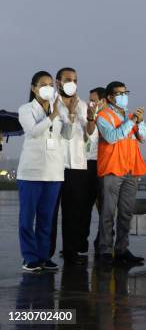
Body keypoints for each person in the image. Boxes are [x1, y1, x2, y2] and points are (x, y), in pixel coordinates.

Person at [17, 71, 75, 271]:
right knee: (27, 218)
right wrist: (54, 115)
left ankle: (44, 256)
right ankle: (29, 257)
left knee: (46, 219)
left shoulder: (59, 108)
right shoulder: (26, 109)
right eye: (43, 84)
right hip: (31, 172)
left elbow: (67, 135)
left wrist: (71, 117)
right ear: (33, 88)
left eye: (51, 84)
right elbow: (33, 131)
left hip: (54, 173)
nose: (48, 87)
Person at [96, 81, 146, 265]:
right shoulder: (103, 116)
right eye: (119, 93)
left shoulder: (131, 116)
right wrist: (132, 121)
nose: (123, 96)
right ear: (110, 97)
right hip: (112, 169)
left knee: (126, 213)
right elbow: (111, 137)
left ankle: (122, 249)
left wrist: (139, 122)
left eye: (125, 92)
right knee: (108, 212)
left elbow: (144, 138)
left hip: (130, 169)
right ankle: (104, 251)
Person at [49, 68, 97, 265]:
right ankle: (46, 253)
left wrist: (92, 118)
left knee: (74, 211)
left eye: (75, 80)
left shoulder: (82, 105)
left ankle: (70, 250)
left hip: (77, 165)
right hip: (55, 164)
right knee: (51, 212)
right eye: (68, 79)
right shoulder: (51, 103)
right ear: (58, 82)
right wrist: (67, 112)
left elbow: (90, 132)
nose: (72, 83)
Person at [86, 87, 107, 255]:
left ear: (103, 101)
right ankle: (80, 242)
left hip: (104, 165)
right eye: (90, 99)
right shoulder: (89, 117)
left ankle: (104, 239)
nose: (91, 102)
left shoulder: (108, 118)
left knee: (104, 206)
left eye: (94, 99)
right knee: (86, 206)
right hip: (88, 164)